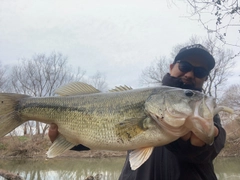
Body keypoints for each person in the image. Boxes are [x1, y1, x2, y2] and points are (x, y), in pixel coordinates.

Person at [48, 44, 226, 180]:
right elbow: (107, 132)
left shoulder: (204, 112)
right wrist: (70, 140)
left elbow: (210, 149)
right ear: (172, 66)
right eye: (185, 66)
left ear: (205, 79)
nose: (189, 74)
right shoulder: (144, 99)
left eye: (200, 71)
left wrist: (206, 139)